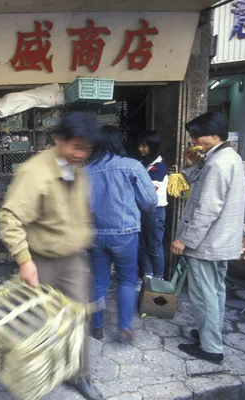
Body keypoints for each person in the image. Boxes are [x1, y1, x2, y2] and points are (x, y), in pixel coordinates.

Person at [0, 112, 102, 400]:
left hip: (73, 261)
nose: (80, 154)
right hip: (41, 262)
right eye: (76, 147)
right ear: (59, 141)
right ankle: (30, 381)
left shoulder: (77, 169)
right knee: (36, 323)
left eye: (86, 149)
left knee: (77, 320)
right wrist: (24, 260)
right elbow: (10, 217)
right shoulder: (34, 172)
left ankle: (79, 376)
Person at [172, 112, 245, 363]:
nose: (193, 141)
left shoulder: (218, 163)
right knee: (215, 291)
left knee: (204, 294)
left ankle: (211, 348)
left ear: (215, 134)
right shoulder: (227, 157)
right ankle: (210, 334)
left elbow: (207, 207)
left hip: (208, 242)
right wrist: (191, 164)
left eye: (196, 136)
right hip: (220, 241)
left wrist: (185, 239)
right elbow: (202, 186)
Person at [85, 126, 157, 343]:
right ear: (118, 142)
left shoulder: (85, 171)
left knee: (98, 281)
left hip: (95, 234)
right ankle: (124, 327)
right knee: (127, 279)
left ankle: (96, 327)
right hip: (124, 233)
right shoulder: (132, 166)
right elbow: (150, 202)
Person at [137, 130, 169, 280]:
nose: (141, 149)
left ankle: (158, 279)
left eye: (145, 146)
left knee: (154, 247)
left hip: (155, 211)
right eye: (140, 146)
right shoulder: (145, 165)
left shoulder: (159, 167)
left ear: (154, 146)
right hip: (144, 210)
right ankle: (147, 277)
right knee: (143, 246)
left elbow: (147, 190)